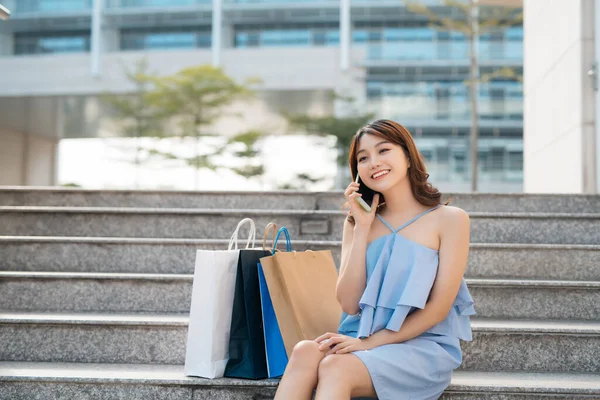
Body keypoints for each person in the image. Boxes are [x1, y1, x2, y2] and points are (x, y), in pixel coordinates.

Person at [273, 119, 475, 400]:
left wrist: (367, 343)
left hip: (421, 346)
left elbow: (438, 309)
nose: (373, 163)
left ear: (407, 155)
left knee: (336, 366)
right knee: (305, 351)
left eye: (384, 151)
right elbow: (349, 303)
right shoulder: (357, 222)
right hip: (360, 335)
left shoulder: (450, 220)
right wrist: (363, 227)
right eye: (363, 158)